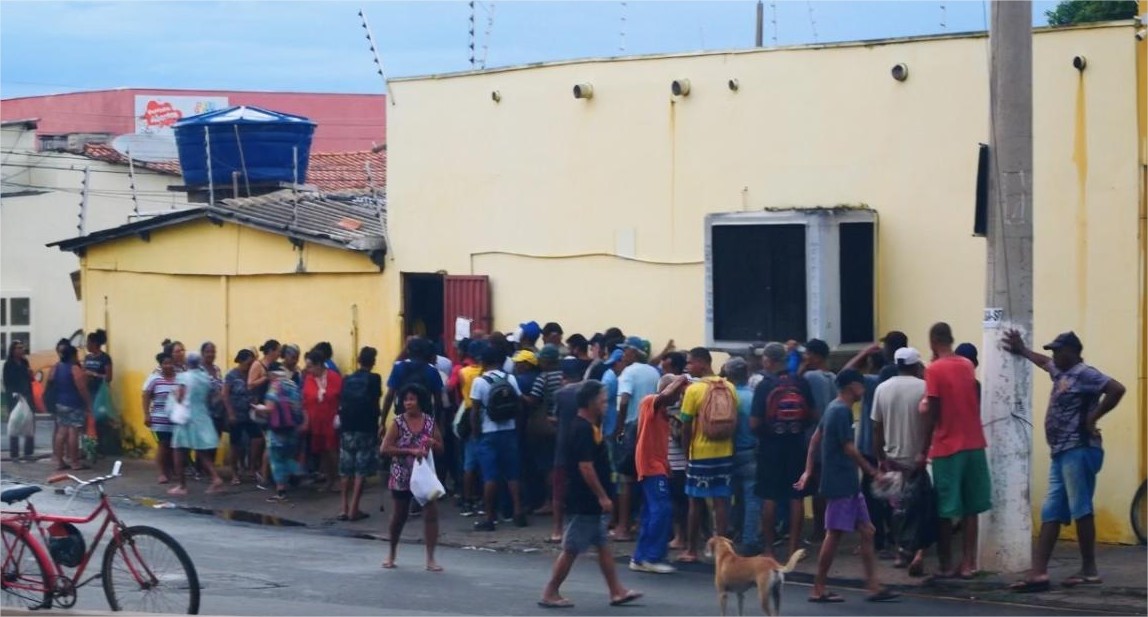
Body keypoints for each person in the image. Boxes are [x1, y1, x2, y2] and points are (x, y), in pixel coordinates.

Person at [1004, 330, 1126, 593]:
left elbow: (1116, 389)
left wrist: (1093, 418)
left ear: (1072, 352)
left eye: (1058, 350)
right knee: (1051, 510)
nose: (1054, 355)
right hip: (1061, 452)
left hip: (1079, 448)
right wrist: (1022, 350)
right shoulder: (1061, 372)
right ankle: (1039, 572)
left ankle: (1089, 570)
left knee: (1080, 507)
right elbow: (1043, 362)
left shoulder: (1084, 373)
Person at [795, 369, 900, 604]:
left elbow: (815, 439)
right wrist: (873, 472)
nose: (864, 390)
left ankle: (873, 586)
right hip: (840, 482)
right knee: (834, 534)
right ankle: (818, 589)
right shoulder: (841, 410)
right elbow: (849, 448)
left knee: (867, 531)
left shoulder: (833, 407)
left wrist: (808, 470)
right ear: (853, 386)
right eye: (861, 385)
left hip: (848, 482)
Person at [539, 380, 643, 609]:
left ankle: (616, 591)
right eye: (602, 401)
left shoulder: (590, 427)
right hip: (584, 499)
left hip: (590, 500)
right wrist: (602, 496)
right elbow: (586, 467)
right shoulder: (582, 429)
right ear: (591, 402)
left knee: (602, 544)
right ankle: (550, 591)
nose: (606, 405)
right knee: (571, 548)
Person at [923, 322, 991, 580]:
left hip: (947, 445)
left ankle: (946, 564)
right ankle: (968, 563)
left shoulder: (934, 369)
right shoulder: (967, 366)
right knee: (971, 508)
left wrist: (923, 449)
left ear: (933, 342)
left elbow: (933, 411)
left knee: (946, 509)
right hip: (975, 443)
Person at [871, 347, 934, 576]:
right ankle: (916, 552)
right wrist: (924, 452)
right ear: (916, 365)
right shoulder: (925, 387)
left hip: (893, 459)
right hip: (920, 459)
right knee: (922, 508)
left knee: (897, 508)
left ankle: (900, 551)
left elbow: (877, 427)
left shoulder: (882, 388)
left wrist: (880, 457)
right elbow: (931, 424)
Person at [751, 342, 816, 560]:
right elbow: (813, 415)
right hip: (796, 446)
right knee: (796, 497)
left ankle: (769, 550)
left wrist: (767, 433)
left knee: (769, 497)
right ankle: (794, 549)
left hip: (770, 448)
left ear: (768, 360)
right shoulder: (801, 382)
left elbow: (754, 423)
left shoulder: (764, 386)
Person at [677, 347, 736, 564]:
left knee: (695, 502)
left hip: (700, 454)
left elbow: (685, 425)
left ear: (702, 363)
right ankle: (722, 552)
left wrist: (687, 454)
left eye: (690, 362)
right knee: (721, 502)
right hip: (725, 452)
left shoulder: (694, 390)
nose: (688, 367)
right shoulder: (729, 387)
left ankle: (692, 550)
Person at [380, 383, 444, 571]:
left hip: (424, 476)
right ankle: (391, 553)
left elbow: (441, 448)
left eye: (412, 399)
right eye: (406, 399)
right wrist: (410, 451)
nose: (408, 403)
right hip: (402, 475)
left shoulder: (429, 422)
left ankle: (430, 558)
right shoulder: (398, 423)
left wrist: (433, 443)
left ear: (420, 401)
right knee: (399, 515)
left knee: (431, 514)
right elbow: (385, 448)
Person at [631, 373, 689, 574]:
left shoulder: (663, 413)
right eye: (678, 393)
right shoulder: (650, 401)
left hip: (657, 465)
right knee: (661, 509)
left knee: (651, 511)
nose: (678, 398)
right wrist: (681, 379)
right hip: (650, 465)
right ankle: (651, 557)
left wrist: (666, 465)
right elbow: (665, 395)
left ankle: (640, 557)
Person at [470, 345, 527, 531]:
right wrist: (517, 428)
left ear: (483, 362)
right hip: (509, 431)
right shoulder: (510, 378)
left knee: (490, 477)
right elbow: (519, 405)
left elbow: (475, 411)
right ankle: (518, 512)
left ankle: (489, 517)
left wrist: (476, 433)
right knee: (512, 474)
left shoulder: (479, 382)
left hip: (488, 433)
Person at [614, 336, 662, 542]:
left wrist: (619, 427)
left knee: (626, 478)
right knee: (645, 476)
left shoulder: (629, 372)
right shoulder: (654, 372)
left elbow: (624, 400)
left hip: (632, 426)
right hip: (651, 427)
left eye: (626, 350)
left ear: (633, 352)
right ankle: (642, 524)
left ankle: (623, 527)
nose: (623, 354)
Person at [168, 353, 224, 495]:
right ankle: (215, 478)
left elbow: (180, 397)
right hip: (202, 416)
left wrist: (174, 395)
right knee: (201, 451)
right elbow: (212, 395)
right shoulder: (205, 377)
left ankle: (182, 485)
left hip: (186, 417)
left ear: (187, 363)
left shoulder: (184, 377)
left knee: (178, 450)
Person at [338, 347, 382, 522]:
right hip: (366, 428)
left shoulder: (347, 379)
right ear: (373, 362)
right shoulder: (374, 378)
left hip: (347, 427)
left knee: (346, 469)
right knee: (361, 469)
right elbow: (376, 404)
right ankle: (354, 508)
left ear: (358, 360)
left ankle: (343, 507)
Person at [724, 357, 763, 554]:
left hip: (726, 452)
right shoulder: (753, 396)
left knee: (728, 497)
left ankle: (729, 533)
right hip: (750, 452)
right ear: (747, 373)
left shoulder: (726, 397)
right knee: (752, 498)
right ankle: (750, 540)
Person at [549, 359, 589, 543]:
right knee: (583, 488)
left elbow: (555, 418)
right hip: (585, 444)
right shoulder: (589, 391)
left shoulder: (560, 394)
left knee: (559, 490)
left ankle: (557, 529)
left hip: (563, 445)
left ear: (563, 375)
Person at [800, 338, 835, 542]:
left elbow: (793, 383)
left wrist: (801, 367)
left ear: (815, 356)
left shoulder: (811, 376)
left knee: (816, 486)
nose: (805, 358)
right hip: (831, 438)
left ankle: (819, 530)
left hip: (813, 437)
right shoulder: (832, 377)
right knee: (826, 484)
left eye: (807, 354)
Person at [260, 369, 304, 503]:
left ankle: (281, 491)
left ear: (272, 374)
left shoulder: (274, 386)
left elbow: (269, 408)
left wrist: (258, 408)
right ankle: (297, 470)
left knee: (276, 460)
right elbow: (299, 407)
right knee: (288, 456)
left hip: (277, 429)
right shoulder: (293, 385)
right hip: (293, 428)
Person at [302, 350, 343, 492]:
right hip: (316, 421)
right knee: (322, 451)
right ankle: (329, 479)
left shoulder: (334, 377)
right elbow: (305, 399)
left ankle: (338, 479)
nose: (308, 369)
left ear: (319, 365)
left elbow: (340, 396)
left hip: (331, 420)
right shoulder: (309, 379)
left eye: (310, 366)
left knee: (333, 450)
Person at [248, 339, 281, 486]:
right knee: (267, 441)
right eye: (278, 350)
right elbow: (250, 384)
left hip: (271, 406)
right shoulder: (258, 365)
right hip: (260, 407)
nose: (279, 353)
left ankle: (266, 472)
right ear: (271, 351)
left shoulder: (276, 366)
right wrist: (266, 378)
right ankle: (261, 472)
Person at [144, 350, 180, 482]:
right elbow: (146, 395)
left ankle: (171, 471)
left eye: (170, 363)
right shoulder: (155, 379)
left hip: (176, 419)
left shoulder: (179, 379)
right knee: (163, 445)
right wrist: (146, 414)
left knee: (173, 447)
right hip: (159, 420)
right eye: (165, 363)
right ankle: (161, 473)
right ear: (161, 365)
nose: (168, 366)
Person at [224, 349, 259, 485]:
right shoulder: (232, 375)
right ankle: (234, 472)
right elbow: (225, 394)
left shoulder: (252, 374)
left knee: (257, 438)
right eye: (248, 363)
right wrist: (230, 413)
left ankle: (251, 467)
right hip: (236, 413)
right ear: (241, 361)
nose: (250, 366)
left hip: (250, 413)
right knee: (235, 444)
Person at [4, 340, 35, 462]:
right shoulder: (8, 364)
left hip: (27, 396)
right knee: (15, 425)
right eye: (18, 348)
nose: (21, 350)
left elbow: (29, 380)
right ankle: (14, 454)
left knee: (29, 424)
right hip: (15, 397)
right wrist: (13, 396)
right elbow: (7, 383)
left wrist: (30, 375)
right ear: (12, 350)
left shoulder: (24, 362)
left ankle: (28, 452)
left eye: (22, 347)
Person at [82, 329, 113, 406]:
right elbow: (83, 371)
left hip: (100, 392)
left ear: (94, 344)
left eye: (88, 343)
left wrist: (94, 374)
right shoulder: (87, 357)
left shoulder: (105, 358)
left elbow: (109, 378)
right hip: (88, 391)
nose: (86, 345)